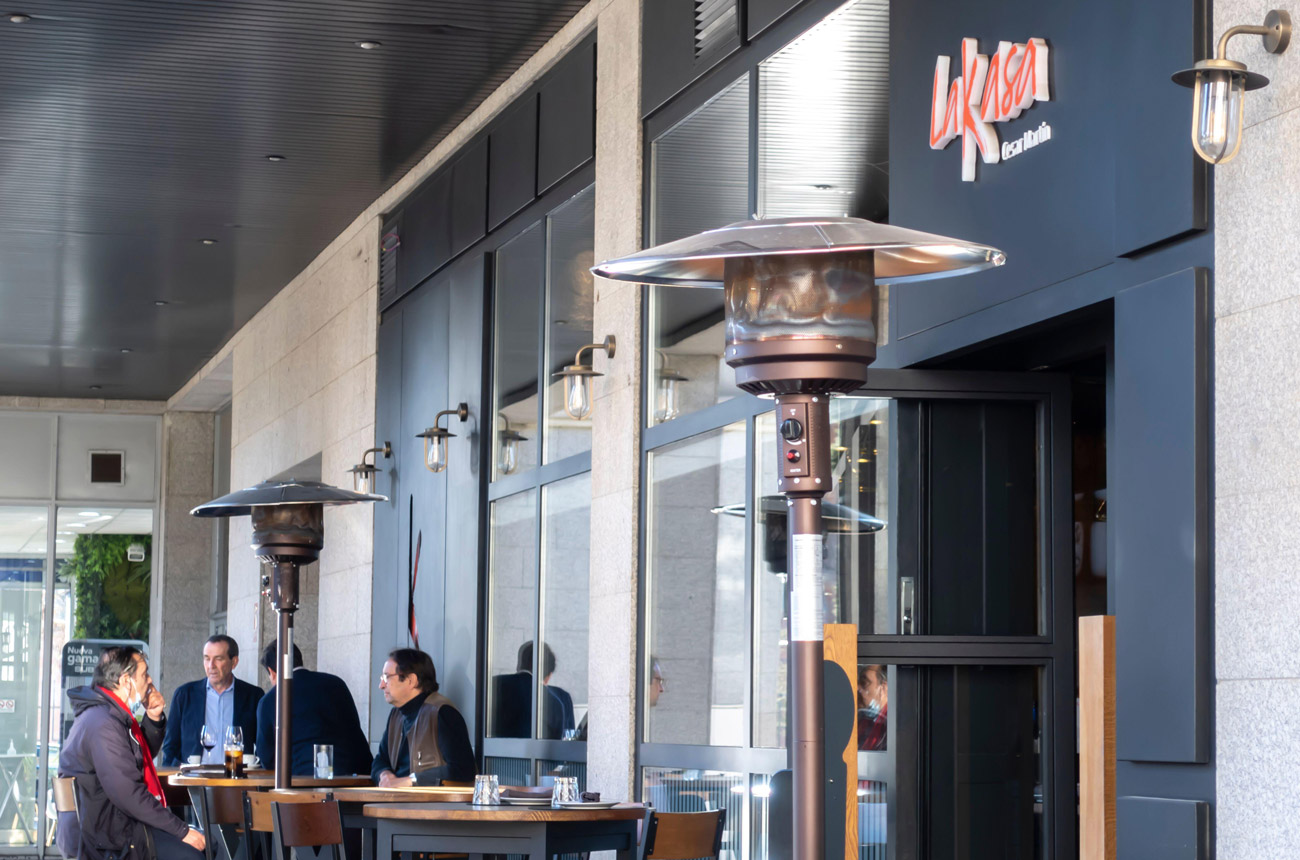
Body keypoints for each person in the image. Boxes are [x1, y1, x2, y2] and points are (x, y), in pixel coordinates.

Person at [57, 647, 206, 860]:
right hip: (109, 839)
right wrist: (181, 830)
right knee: (195, 853)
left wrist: (153, 718)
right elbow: (128, 792)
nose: (150, 679)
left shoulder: (104, 715)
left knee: (203, 844)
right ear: (127, 681)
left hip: (112, 827)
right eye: (144, 674)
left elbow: (135, 759)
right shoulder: (103, 724)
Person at [255, 642, 372, 776]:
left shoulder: (271, 699)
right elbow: (354, 730)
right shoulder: (336, 683)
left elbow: (266, 757)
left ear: (271, 671)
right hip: (352, 776)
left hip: (302, 781)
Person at [372, 648, 476, 786]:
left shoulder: (441, 712)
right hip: (397, 802)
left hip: (431, 804)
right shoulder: (396, 715)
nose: (381, 685)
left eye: (386, 677)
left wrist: (410, 781)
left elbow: (464, 769)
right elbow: (380, 760)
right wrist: (385, 775)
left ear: (411, 680)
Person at [160, 634, 263, 766]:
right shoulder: (184, 695)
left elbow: (264, 746)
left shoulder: (253, 696)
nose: (211, 665)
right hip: (194, 781)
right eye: (207, 659)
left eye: (218, 659)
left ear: (234, 662)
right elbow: (170, 748)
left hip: (237, 782)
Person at [490, 641, 573, 739]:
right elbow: (562, 744)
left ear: (519, 665)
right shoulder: (555, 701)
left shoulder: (493, 684)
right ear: (548, 675)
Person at [857, 664, 888, 751]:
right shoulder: (864, 720)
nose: (857, 688)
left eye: (864, 683)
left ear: (883, 688)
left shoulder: (891, 726)